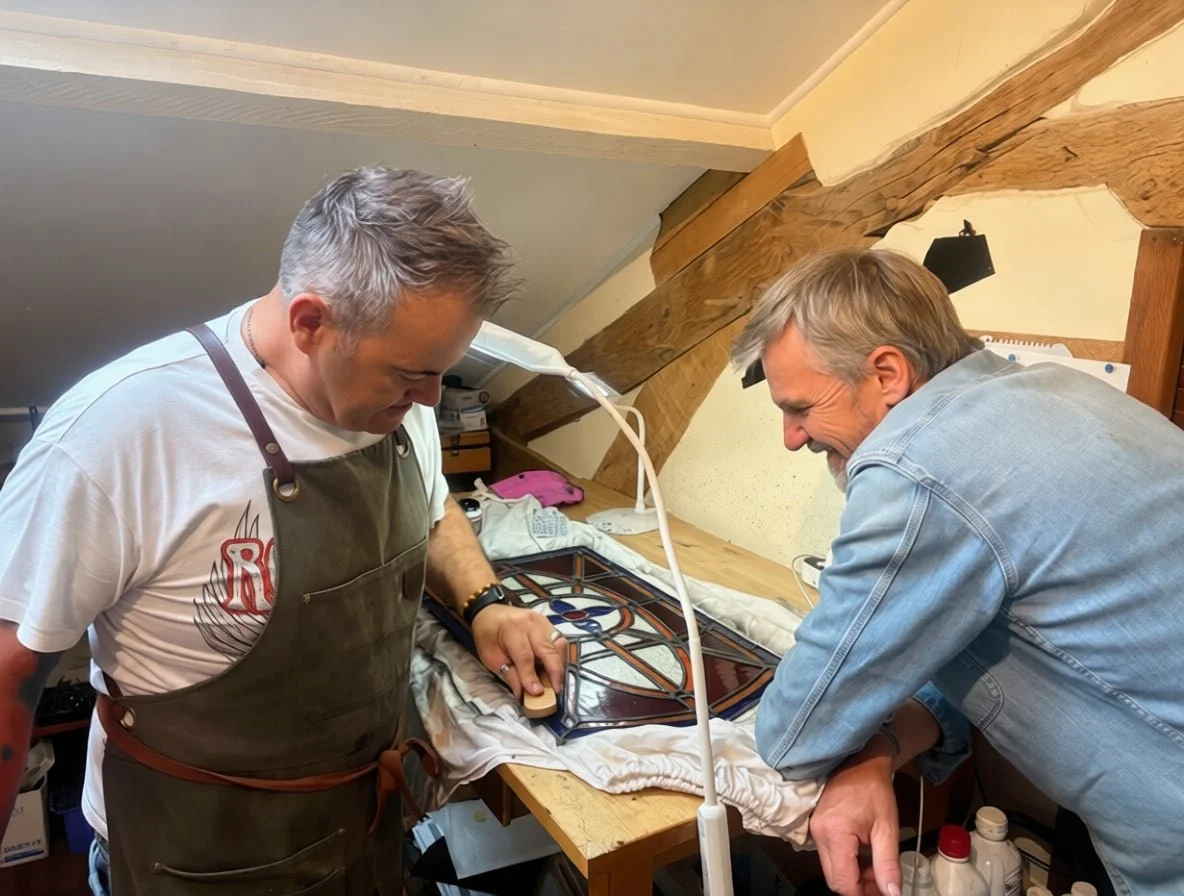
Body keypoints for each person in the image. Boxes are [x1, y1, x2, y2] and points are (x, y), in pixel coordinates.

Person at [0, 166, 567, 895]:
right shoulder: (118, 436)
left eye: (440, 373)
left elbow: (431, 509)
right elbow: (9, 669)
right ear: (309, 322)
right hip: (195, 861)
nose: (430, 398)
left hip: (362, 832)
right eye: (409, 375)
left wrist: (486, 604)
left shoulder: (400, 403)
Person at [733, 247, 1184, 896]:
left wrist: (856, 738)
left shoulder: (917, 466)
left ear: (887, 374)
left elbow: (794, 732)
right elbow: (995, 635)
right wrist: (878, 748)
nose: (792, 437)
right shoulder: (1053, 392)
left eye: (800, 408)